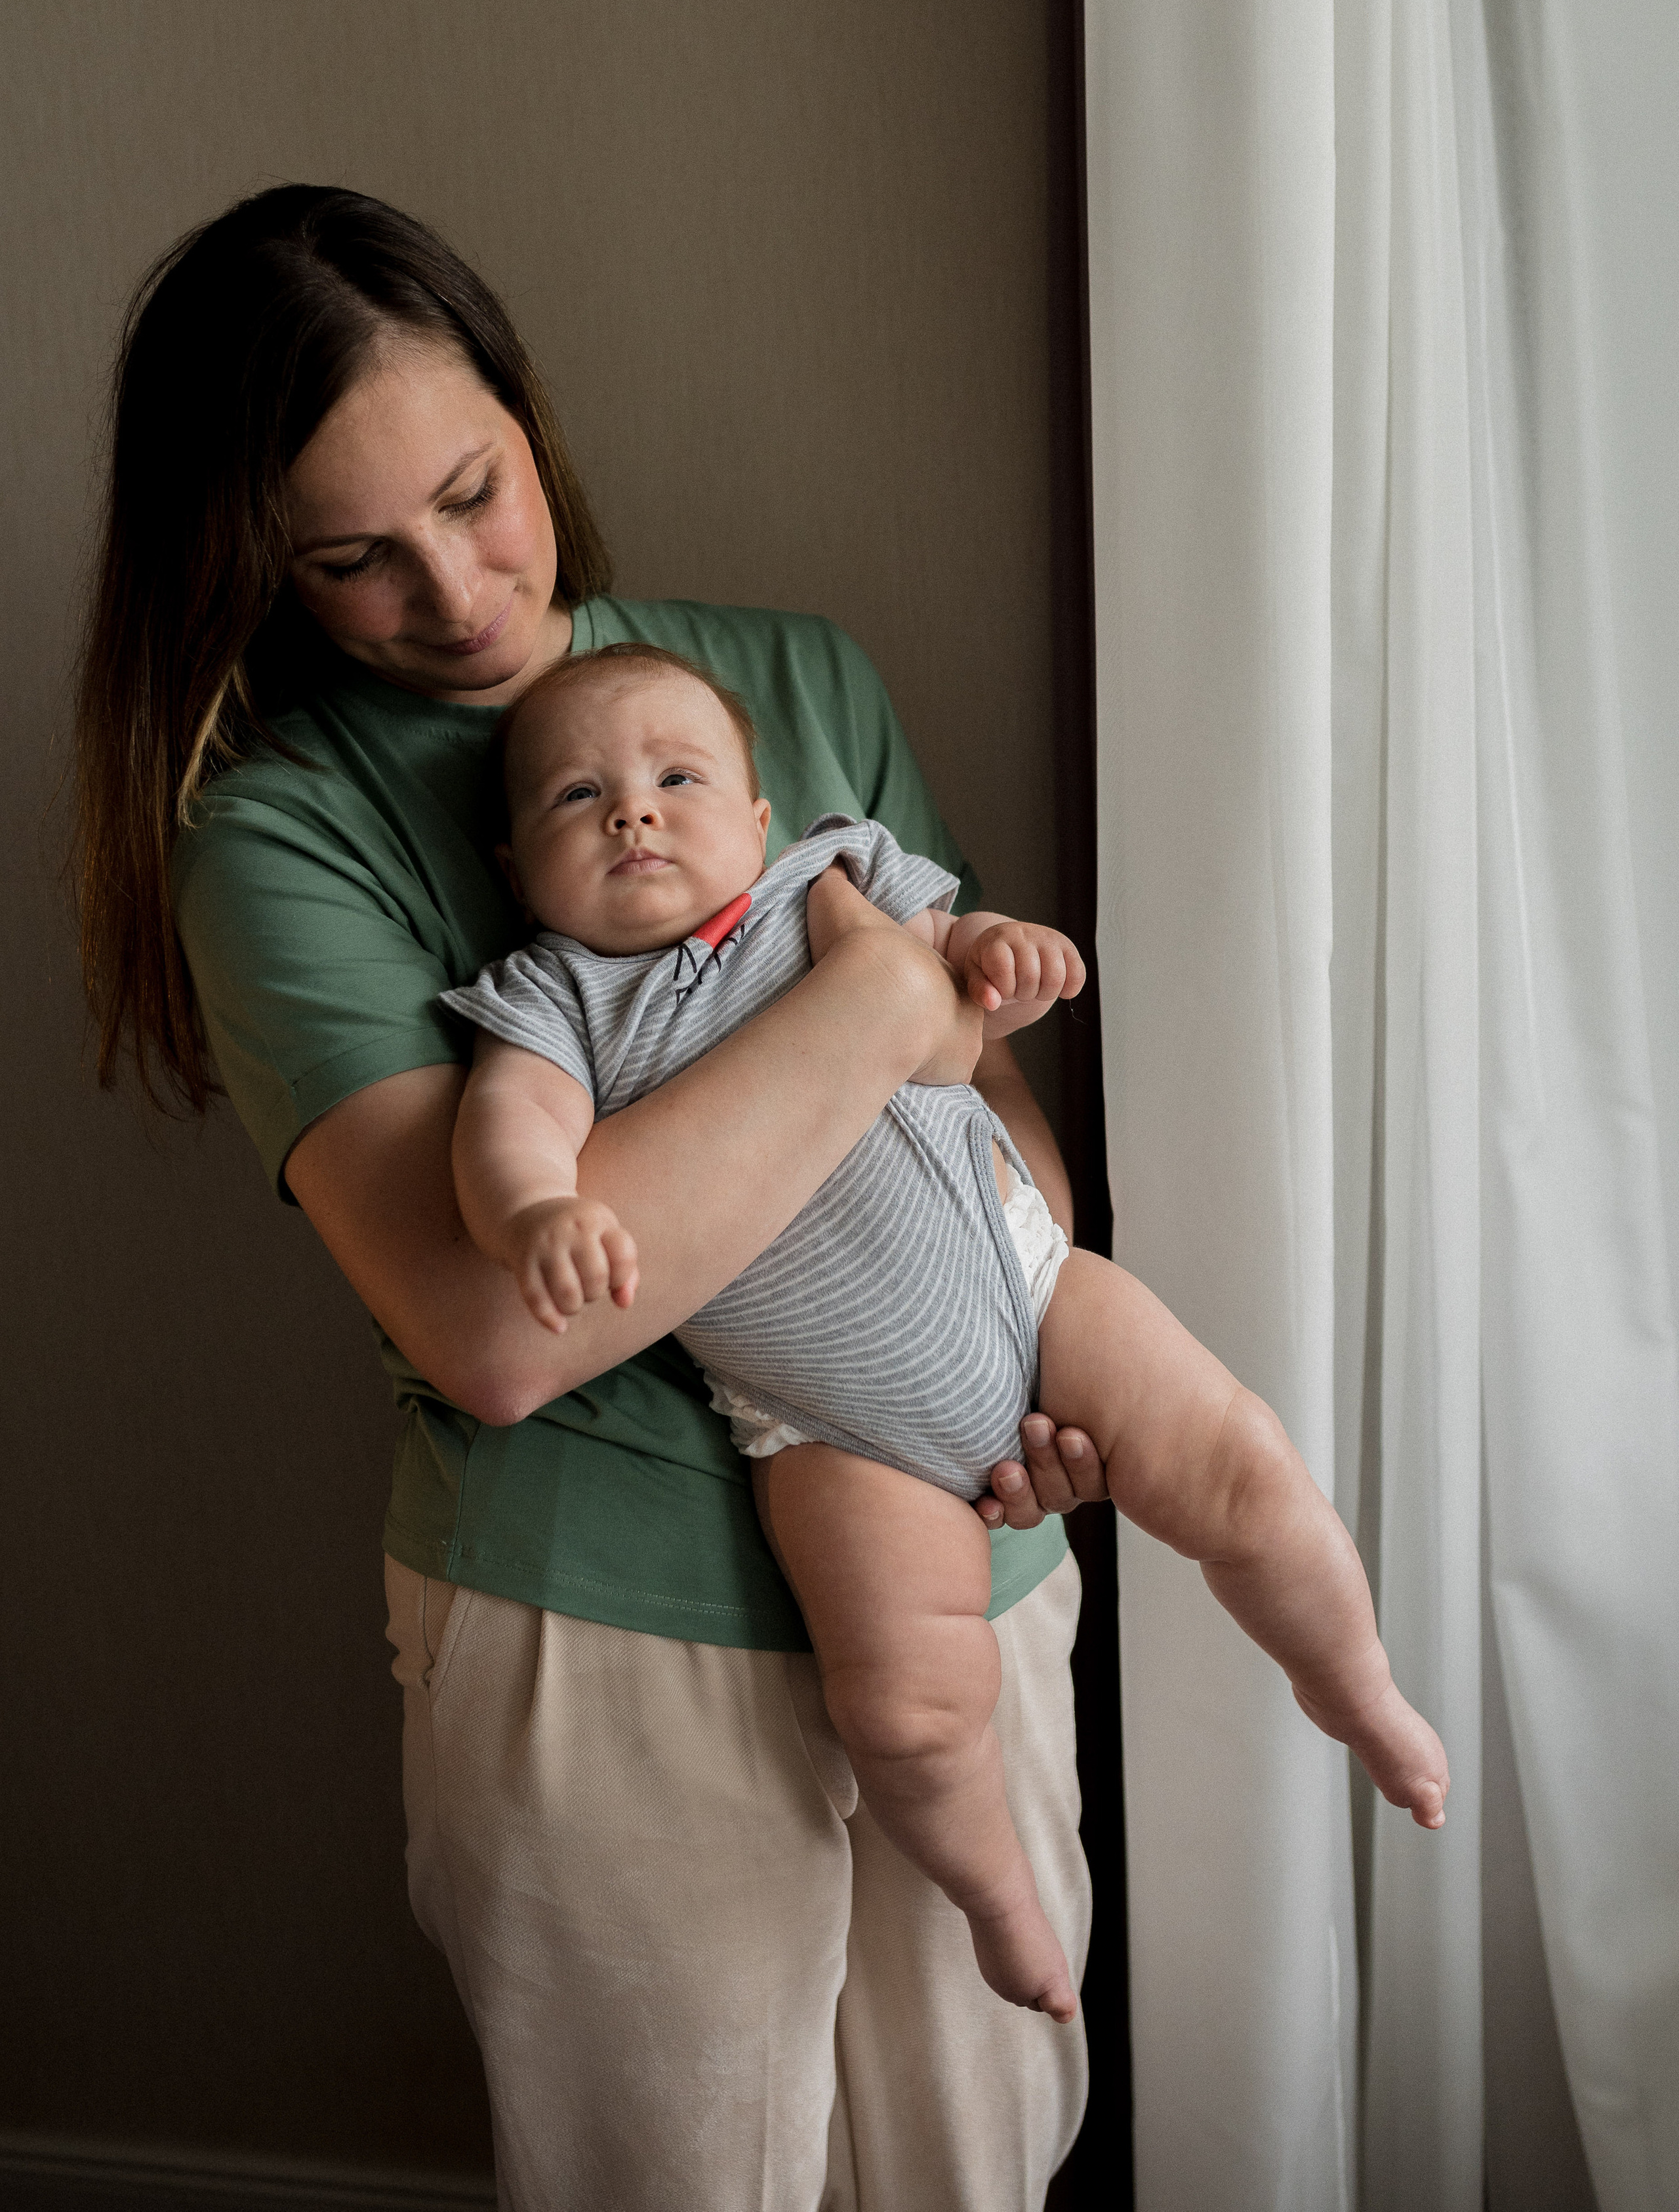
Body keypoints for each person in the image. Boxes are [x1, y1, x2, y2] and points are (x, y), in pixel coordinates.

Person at [72, 184, 1108, 2211]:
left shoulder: (800, 676)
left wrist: (1030, 1355)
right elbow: (495, 1326)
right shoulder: (276, 834)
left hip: (962, 1544)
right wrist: (873, 998)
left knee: (981, 2168)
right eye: (353, 560)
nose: (456, 593)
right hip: (605, 1626)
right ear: (250, 563)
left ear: (526, 415)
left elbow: (995, 1129)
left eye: (475, 494)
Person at [441, 644, 1450, 2030]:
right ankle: (996, 1898)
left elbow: (961, 976)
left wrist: (997, 956)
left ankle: (1358, 1690)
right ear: (515, 869)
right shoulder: (556, 999)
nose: (633, 812)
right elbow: (509, 1129)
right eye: (578, 795)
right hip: (828, 1432)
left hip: (1032, 1291)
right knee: (907, 1706)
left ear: (757, 818)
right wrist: (534, 1211)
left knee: (1244, 1466)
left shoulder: (825, 879)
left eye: (678, 778)